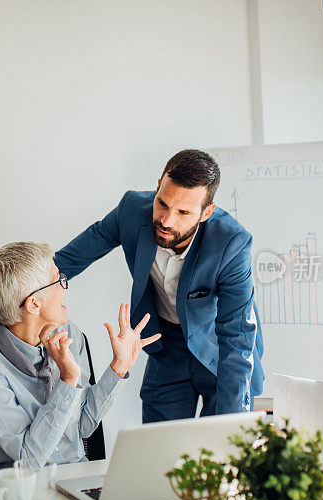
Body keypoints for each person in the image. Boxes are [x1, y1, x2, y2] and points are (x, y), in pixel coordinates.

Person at [54, 149, 264, 423]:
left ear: (206, 212)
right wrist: (27, 294)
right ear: (157, 187)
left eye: (183, 212)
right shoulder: (131, 210)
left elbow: (236, 334)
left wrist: (233, 427)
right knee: (160, 450)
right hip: (167, 346)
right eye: (162, 204)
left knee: (221, 447)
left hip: (220, 351)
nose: (166, 221)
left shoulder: (231, 243)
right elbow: (69, 259)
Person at [0, 242, 160, 472]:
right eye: (58, 280)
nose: (66, 287)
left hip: (75, 479)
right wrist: (68, 379)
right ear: (34, 304)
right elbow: (29, 459)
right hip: (20, 492)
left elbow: (81, 427)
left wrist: (118, 367)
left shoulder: (68, 334)